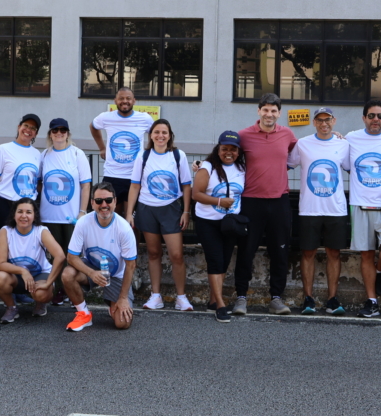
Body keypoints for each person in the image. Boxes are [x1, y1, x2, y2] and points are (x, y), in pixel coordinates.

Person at [237, 93, 297, 315]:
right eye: (265, 110)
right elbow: (225, 155)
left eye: (273, 111)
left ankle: (276, 299)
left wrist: (336, 137)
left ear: (279, 113)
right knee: (246, 251)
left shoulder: (287, 134)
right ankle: (241, 297)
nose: (269, 114)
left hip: (279, 201)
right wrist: (201, 166)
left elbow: (308, 149)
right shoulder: (244, 135)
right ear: (258, 111)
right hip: (251, 201)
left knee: (280, 252)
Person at [287, 108, 350, 316]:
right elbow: (285, 164)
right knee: (308, 253)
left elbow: (353, 168)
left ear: (334, 121)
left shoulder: (343, 144)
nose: (324, 123)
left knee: (334, 253)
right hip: (309, 209)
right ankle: (308, 299)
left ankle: (332, 299)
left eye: (328, 119)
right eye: (320, 120)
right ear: (314, 122)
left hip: (336, 209)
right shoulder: (303, 144)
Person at [126, 119, 193, 311]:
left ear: (170, 135)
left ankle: (181, 297)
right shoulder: (143, 156)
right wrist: (129, 213)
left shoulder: (178, 155)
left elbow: (186, 186)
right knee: (154, 253)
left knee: (176, 255)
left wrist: (186, 211)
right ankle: (156, 296)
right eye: (156, 132)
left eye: (164, 132)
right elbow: (135, 186)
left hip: (171, 209)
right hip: (147, 209)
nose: (160, 136)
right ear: (151, 135)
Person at [344, 100, 381, 318]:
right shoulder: (350, 138)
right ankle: (372, 302)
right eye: (371, 116)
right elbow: (344, 163)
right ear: (364, 118)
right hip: (360, 205)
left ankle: (378, 271)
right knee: (366, 254)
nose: (375, 120)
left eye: (380, 116)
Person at [62, 183, 138, 332]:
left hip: (116, 275)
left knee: (122, 323)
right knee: (67, 274)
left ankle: (113, 302)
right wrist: (91, 273)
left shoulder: (124, 228)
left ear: (115, 201)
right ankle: (84, 314)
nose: (104, 205)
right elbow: (71, 257)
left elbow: (131, 265)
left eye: (108, 200)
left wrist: (123, 298)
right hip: (92, 267)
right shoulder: (83, 223)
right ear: (92, 203)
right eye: (98, 201)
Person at [191, 131, 246, 323]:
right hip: (208, 222)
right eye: (225, 149)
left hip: (230, 223)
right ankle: (221, 305)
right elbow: (196, 194)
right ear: (218, 148)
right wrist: (219, 201)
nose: (229, 152)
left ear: (238, 151)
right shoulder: (207, 167)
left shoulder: (241, 167)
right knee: (215, 260)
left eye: (233, 149)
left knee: (224, 261)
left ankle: (213, 300)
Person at [39, 118, 92, 304]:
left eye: (63, 130)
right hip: (49, 216)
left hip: (71, 217)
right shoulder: (44, 155)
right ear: (50, 134)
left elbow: (86, 185)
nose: (59, 133)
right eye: (55, 130)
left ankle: (72, 290)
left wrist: (82, 211)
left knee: (72, 256)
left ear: (68, 133)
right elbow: (39, 183)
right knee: (55, 256)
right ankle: (58, 289)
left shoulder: (77, 154)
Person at [0, 197, 67, 324]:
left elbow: (60, 256)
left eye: (28, 212)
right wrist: (23, 271)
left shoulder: (41, 231)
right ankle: (11, 307)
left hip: (40, 275)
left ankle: (40, 303)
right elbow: (0, 263)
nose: (24, 216)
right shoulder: (6, 231)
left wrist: (48, 283)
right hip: (17, 277)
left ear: (35, 215)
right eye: (20, 211)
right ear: (14, 214)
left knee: (41, 294)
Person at [90, 87, 154, 215]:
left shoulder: (145, 118)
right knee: (113, 216)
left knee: (132, 219)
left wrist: (149, 153)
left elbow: (155, 134)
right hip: (112, 175)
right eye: (121, 98)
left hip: (135, 176)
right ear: (115, 100)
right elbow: (93, 126)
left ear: (134, 101)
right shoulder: (106, 117)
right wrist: (102, 147)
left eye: (128, 98)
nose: (125, 101)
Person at [0, 114, 43, 231]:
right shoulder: (4, 149)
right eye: (26, 125)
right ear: (19, 127)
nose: (28, 130)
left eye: (33, 128)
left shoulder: (37, 154)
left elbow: (37, 183)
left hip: (28, 205)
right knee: (5, 238)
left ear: (36, 134)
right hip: (5, 204)